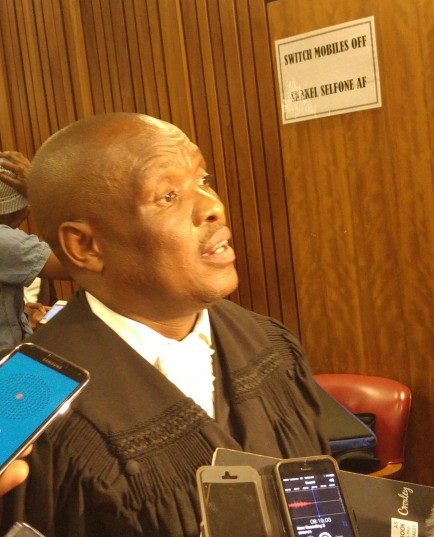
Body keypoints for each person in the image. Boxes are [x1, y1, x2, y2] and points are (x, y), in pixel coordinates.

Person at [0, 114, 329, 537]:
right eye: (168, 195)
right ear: (84, 245)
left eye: (203, 178)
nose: (213, 206)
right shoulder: (24, 408)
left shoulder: (269, 344)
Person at [0, 151, 69, 352]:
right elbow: (82, 263)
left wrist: (17, 311)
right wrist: (44, 192)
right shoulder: (4, 240)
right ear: (23, 209)